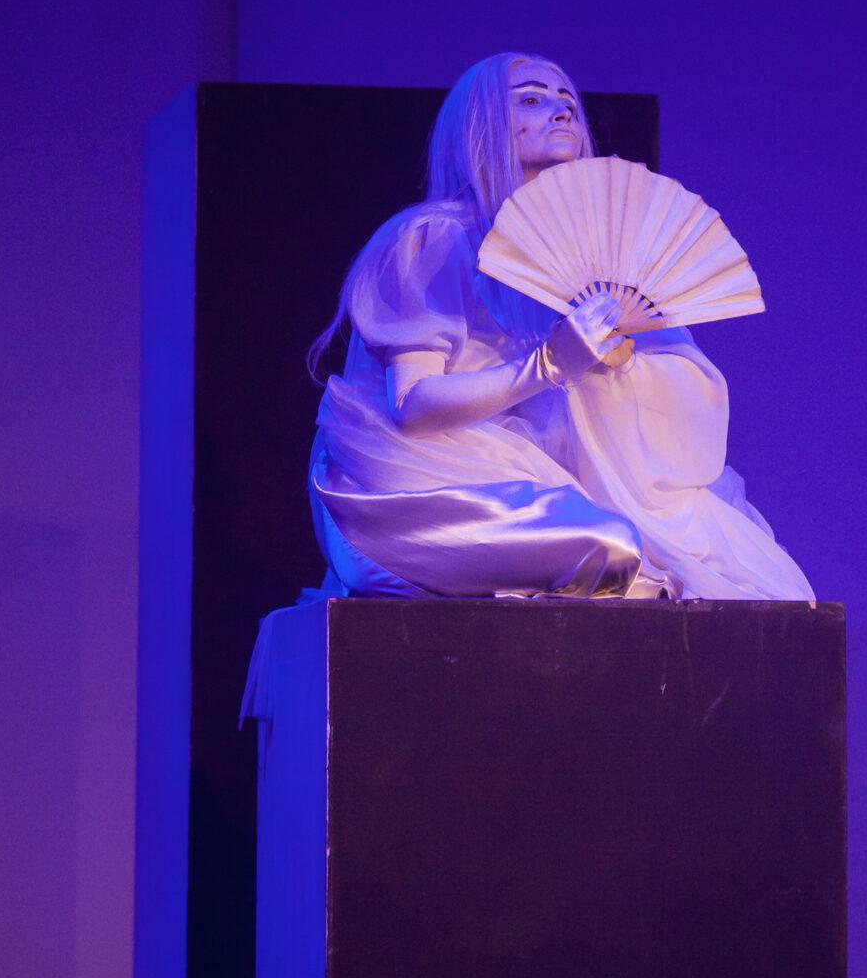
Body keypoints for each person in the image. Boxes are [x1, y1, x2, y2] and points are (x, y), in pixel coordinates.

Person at [303, 52, 813, 602]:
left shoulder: (604, 256)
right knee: (607, 546)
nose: (562, 111)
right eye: (531, 99)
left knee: (741, 566)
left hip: (528, 476)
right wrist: (547, 365)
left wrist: (621, 366)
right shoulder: (437, 239)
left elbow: (683, 385)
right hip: (407, 483)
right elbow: (411, 405)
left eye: (568, 101)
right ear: (482, 126)